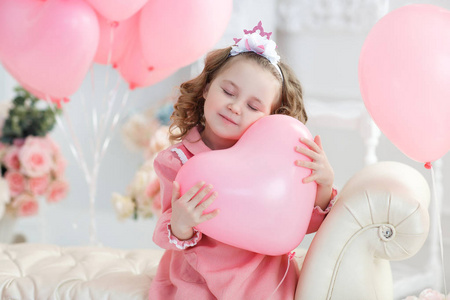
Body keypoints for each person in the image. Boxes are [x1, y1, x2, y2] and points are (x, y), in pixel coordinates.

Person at [149, 21, 336, 300]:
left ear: (272, 116)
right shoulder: (177, 161)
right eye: (228, 92)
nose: (235, 107)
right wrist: (182, 223)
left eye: (253, 106)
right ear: (207, 89)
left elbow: (299, 224)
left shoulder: (277, 163)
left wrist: (323, 183)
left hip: (264, 281)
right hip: (198, 279)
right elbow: (167, 230)